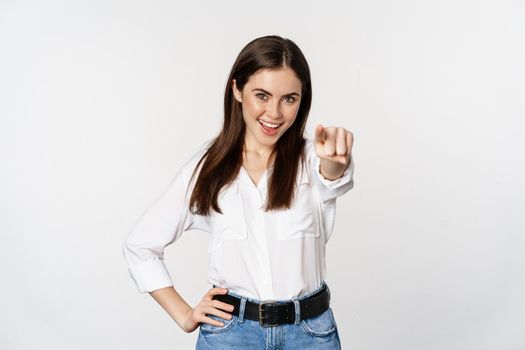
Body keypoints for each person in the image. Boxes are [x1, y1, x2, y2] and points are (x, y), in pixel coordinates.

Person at [122, 34, 355, 349]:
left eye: (289, 98)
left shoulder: (313, 159)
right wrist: (185, 314)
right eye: (262, 95)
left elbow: (332, 177)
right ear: (237, 90)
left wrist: (335, 163)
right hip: (230, 336)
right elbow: (140, 246)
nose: (274, 113)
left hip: (310, 335)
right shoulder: (206, 170)